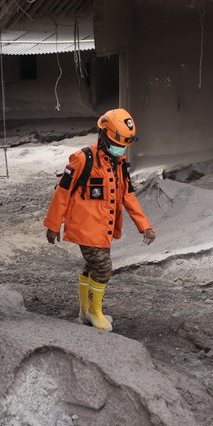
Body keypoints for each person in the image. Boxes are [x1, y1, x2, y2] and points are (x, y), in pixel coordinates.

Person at [44, 108, 157, 331]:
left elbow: (128, 196)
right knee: (104, 269)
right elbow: (62, 192)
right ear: (103, 134)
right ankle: (96, 313)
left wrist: (144, 226)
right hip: (85, 229)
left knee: (91, 267)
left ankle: (84, 311)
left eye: (124, 144)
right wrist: (53, 225)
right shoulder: (82, 159)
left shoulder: (120, 163)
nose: (121, 147)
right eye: (117, 142)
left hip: (104, 230)